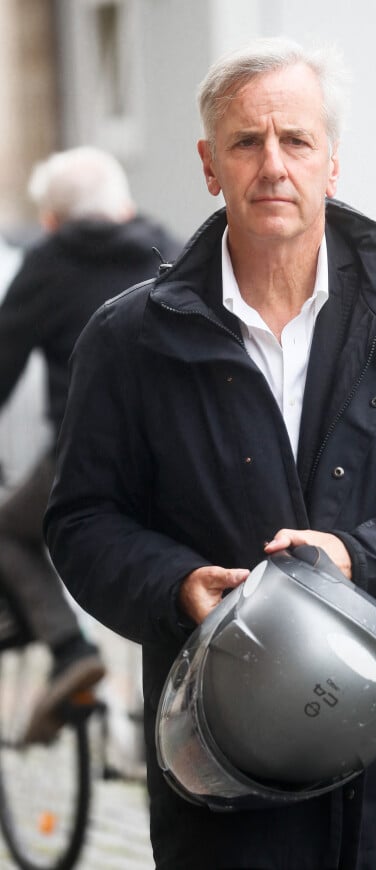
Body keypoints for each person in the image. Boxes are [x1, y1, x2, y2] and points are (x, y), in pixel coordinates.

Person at [44, 39, 376, 870]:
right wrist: (175, 587)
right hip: (232, 788)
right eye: (246, 142)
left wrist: (358, 561)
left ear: (332, 161)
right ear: (210, 164)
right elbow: (84, 520)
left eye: (296, 141)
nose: (272, 164)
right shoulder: (130, 340)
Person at [0, 146, 182, 742]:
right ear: (124, 205)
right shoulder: (173, 250)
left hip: (86, 462)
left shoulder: (48, 262)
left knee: (8, 529)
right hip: (185, 459)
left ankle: (69, 648)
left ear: (51, 220)